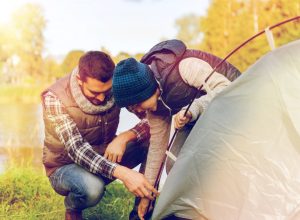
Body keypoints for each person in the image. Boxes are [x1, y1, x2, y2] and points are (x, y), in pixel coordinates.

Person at [112, 39, 241, 220]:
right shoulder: (154, 106)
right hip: (200, 117)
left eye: (136, 105)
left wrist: (193, 109)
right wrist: (146, 197)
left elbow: (226, 89)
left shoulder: (185, 67)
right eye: (131, 109)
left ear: (147, 90)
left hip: (237, 105)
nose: (137, 112)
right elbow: (157, 149)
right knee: (174, 163)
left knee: (212, 163)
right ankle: (193, 211)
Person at [41, 51, 158, 220]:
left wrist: (125, 136)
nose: (102, 98)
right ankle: (73, 207)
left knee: (150, 142)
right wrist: (124, 174)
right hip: (65, 167)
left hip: (103, 156)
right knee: (92, 188)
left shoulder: (115, 87)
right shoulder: (55, 98)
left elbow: (153, 120)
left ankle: (140, 212)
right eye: (95, 93)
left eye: (107, 90)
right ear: (80, 80)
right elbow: (77, 150)